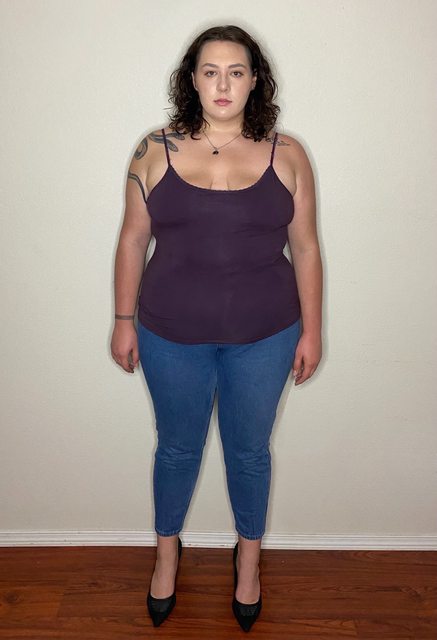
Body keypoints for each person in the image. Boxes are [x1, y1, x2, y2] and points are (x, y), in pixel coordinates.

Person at [110, 24, 322, 632]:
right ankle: (166, 555)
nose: (223, 84)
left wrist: (312, 331)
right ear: (193, 81)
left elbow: (306, 248)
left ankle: (247, 563)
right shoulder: (153, 150)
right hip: (169, 334)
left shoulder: (289, 154)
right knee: (176, 448)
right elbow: (132, 240)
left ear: (255, 81)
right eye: (210, 71)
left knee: (249, 452)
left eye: (236, 71)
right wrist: (122, 320)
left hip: (268, 335)